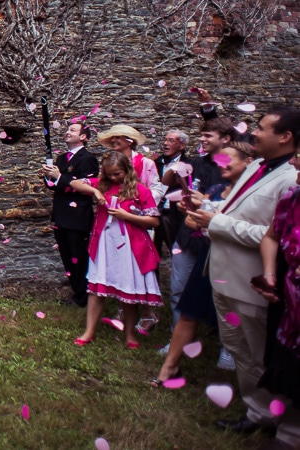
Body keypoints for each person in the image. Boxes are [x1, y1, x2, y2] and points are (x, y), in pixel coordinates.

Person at [186, 106, 300, 436]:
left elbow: (272, 235)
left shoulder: (291, 178)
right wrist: (205, 208)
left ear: (285, 137)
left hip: (252, 282)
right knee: (239, 350)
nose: (253, 133)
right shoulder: (256, 167)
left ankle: (283, 420)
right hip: (223, 275)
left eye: (261, 128)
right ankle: (258, 411)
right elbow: (236, 211)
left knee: (260, 352)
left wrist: (217, 221)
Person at [152, 141, 254, 387]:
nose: (221, 165)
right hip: (209, 255)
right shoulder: (217, 188)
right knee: (189, 310)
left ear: (249, 163)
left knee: (234, 314)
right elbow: (192, 224)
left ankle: (232, 356)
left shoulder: (253, 194)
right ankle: (168, 369)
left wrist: (211, 219)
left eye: (228, 160)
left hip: (238, 262)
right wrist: (196, 213)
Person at [157, 117, 234, 364]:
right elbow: (175, 186)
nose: (202, 139)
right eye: (201, 135)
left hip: (220, 239)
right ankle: (178, 339)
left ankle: (228, 347)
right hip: (188, 237)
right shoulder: (196, 164)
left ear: (226, 139)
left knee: (223, 295)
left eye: (208, 135)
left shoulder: (238, 167)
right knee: (178, 288)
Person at [69, 151, 162, 349]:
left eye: (117, 174)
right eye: (109, 174)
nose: (113, 178)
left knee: (128, 288)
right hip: (105, 242)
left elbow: (154, 220)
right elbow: (74, 183)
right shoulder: (102, 184)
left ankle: (129, 334)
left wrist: (126, 215)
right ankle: (89, 331)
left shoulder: (140, 190)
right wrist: (95, 192)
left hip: (130, 244)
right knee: (97, 288)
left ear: (127, 171)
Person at [254, 147, 300, 450]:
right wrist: (270, 273)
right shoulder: (292, 197)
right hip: (292, 301)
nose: (294, 161)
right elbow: (272, 236)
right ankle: (288, 433)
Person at [97, 125, 162, 333]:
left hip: (138, 217)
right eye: (112, 138)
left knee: (139, 266)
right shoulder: (110, 163)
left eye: (118, 138)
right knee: (120, 265)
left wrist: (136, 205)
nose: (114, 141)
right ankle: (124, 307)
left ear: (130, 141)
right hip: (116, 221)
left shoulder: (145, 163)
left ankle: (146, 313)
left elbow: (155, 188)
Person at [39, 122, 99, 307]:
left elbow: (85, 188)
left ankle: (85, 296)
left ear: (84, 137)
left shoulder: (88, 159)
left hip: (77, 217)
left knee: (79, 257)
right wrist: (48, 177)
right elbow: (55, 185)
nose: (67, 132)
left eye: (73, 130)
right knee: (67, 257)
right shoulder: (62, 158)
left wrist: (59, 177)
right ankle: (77, 292)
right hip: (61, 214)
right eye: (67, 129)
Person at [154, 130, 189, 266]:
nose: (165, 143)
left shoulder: (189, 165)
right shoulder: (156, 163)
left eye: (171, 141)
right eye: (165, 140)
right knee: (152, 252)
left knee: (177, 252)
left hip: (175, 215)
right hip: (155, 214)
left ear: (182, 146)